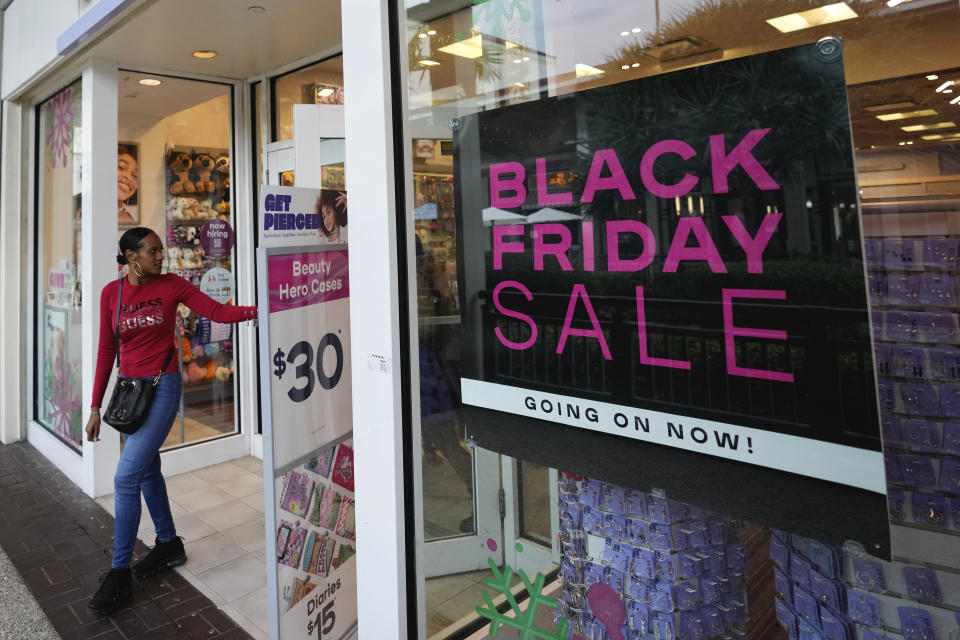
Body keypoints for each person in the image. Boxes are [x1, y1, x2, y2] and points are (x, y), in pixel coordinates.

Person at [84, 227, 257, 616]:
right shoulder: (112, 294)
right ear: (132, 257)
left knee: (125, 477)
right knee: (145, 471)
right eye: (154, 252)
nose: (162, 258)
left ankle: (118, 573)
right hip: (130, 393)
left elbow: (217, 312)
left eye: (162, 252)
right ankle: (167, 545)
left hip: (162, 388)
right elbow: (106, 350)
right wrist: (94, 407)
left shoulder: (172, 285)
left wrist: (256, 311)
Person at [118, 144, 139, 224]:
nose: (130, 178)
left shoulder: (135, 212)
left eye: (135, 176)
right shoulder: (81, 214)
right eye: (120, 167)